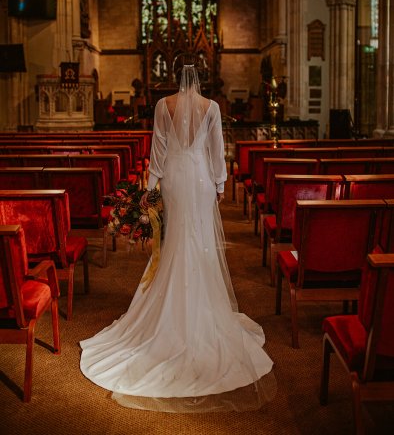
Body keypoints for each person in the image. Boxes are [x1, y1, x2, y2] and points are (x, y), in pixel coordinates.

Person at [79, 57, 276, 412]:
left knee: (173, 242)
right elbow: (218, 151)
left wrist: (151, 189)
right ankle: (200, 308)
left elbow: (158, 151)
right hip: (199, 176)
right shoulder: (212, 107)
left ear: (174, 76)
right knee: (198, 241)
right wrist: (219, 183)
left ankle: (169, 312)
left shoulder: (162, 105)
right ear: (201, 78)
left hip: (173, 177)